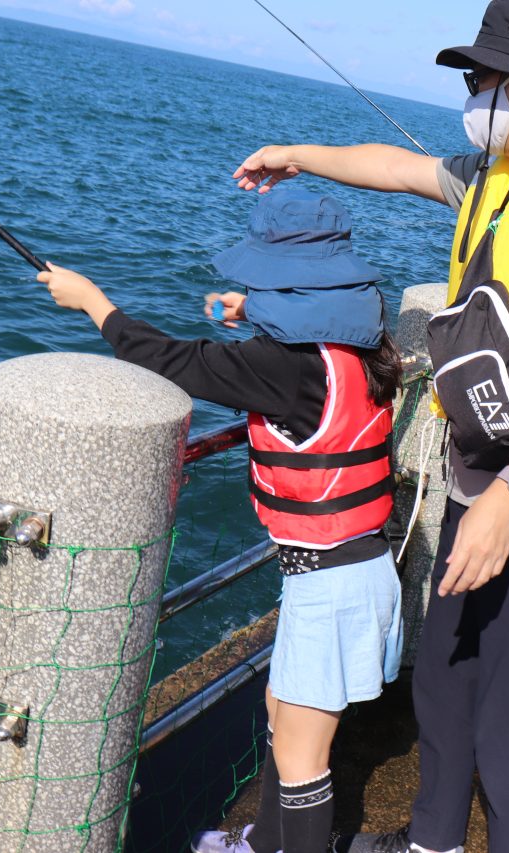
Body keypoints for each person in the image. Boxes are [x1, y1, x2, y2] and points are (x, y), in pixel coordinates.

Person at [231, 2, 509, 850]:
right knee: (446, 677)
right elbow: (392, 167)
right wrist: (293, 153)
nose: (470, 94)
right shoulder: (497, 174)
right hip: (483, 474)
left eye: (478, 78)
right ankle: (432, 839)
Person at [39, 190, 405, 853]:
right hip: (352, 568)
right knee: (283, 720)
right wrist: (258, 311)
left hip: (329, 586)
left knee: (302, 758)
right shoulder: (365, 350)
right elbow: (308, 369)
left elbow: (172, 360)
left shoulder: (284, 368)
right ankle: (264, 843)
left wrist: (92, 300)